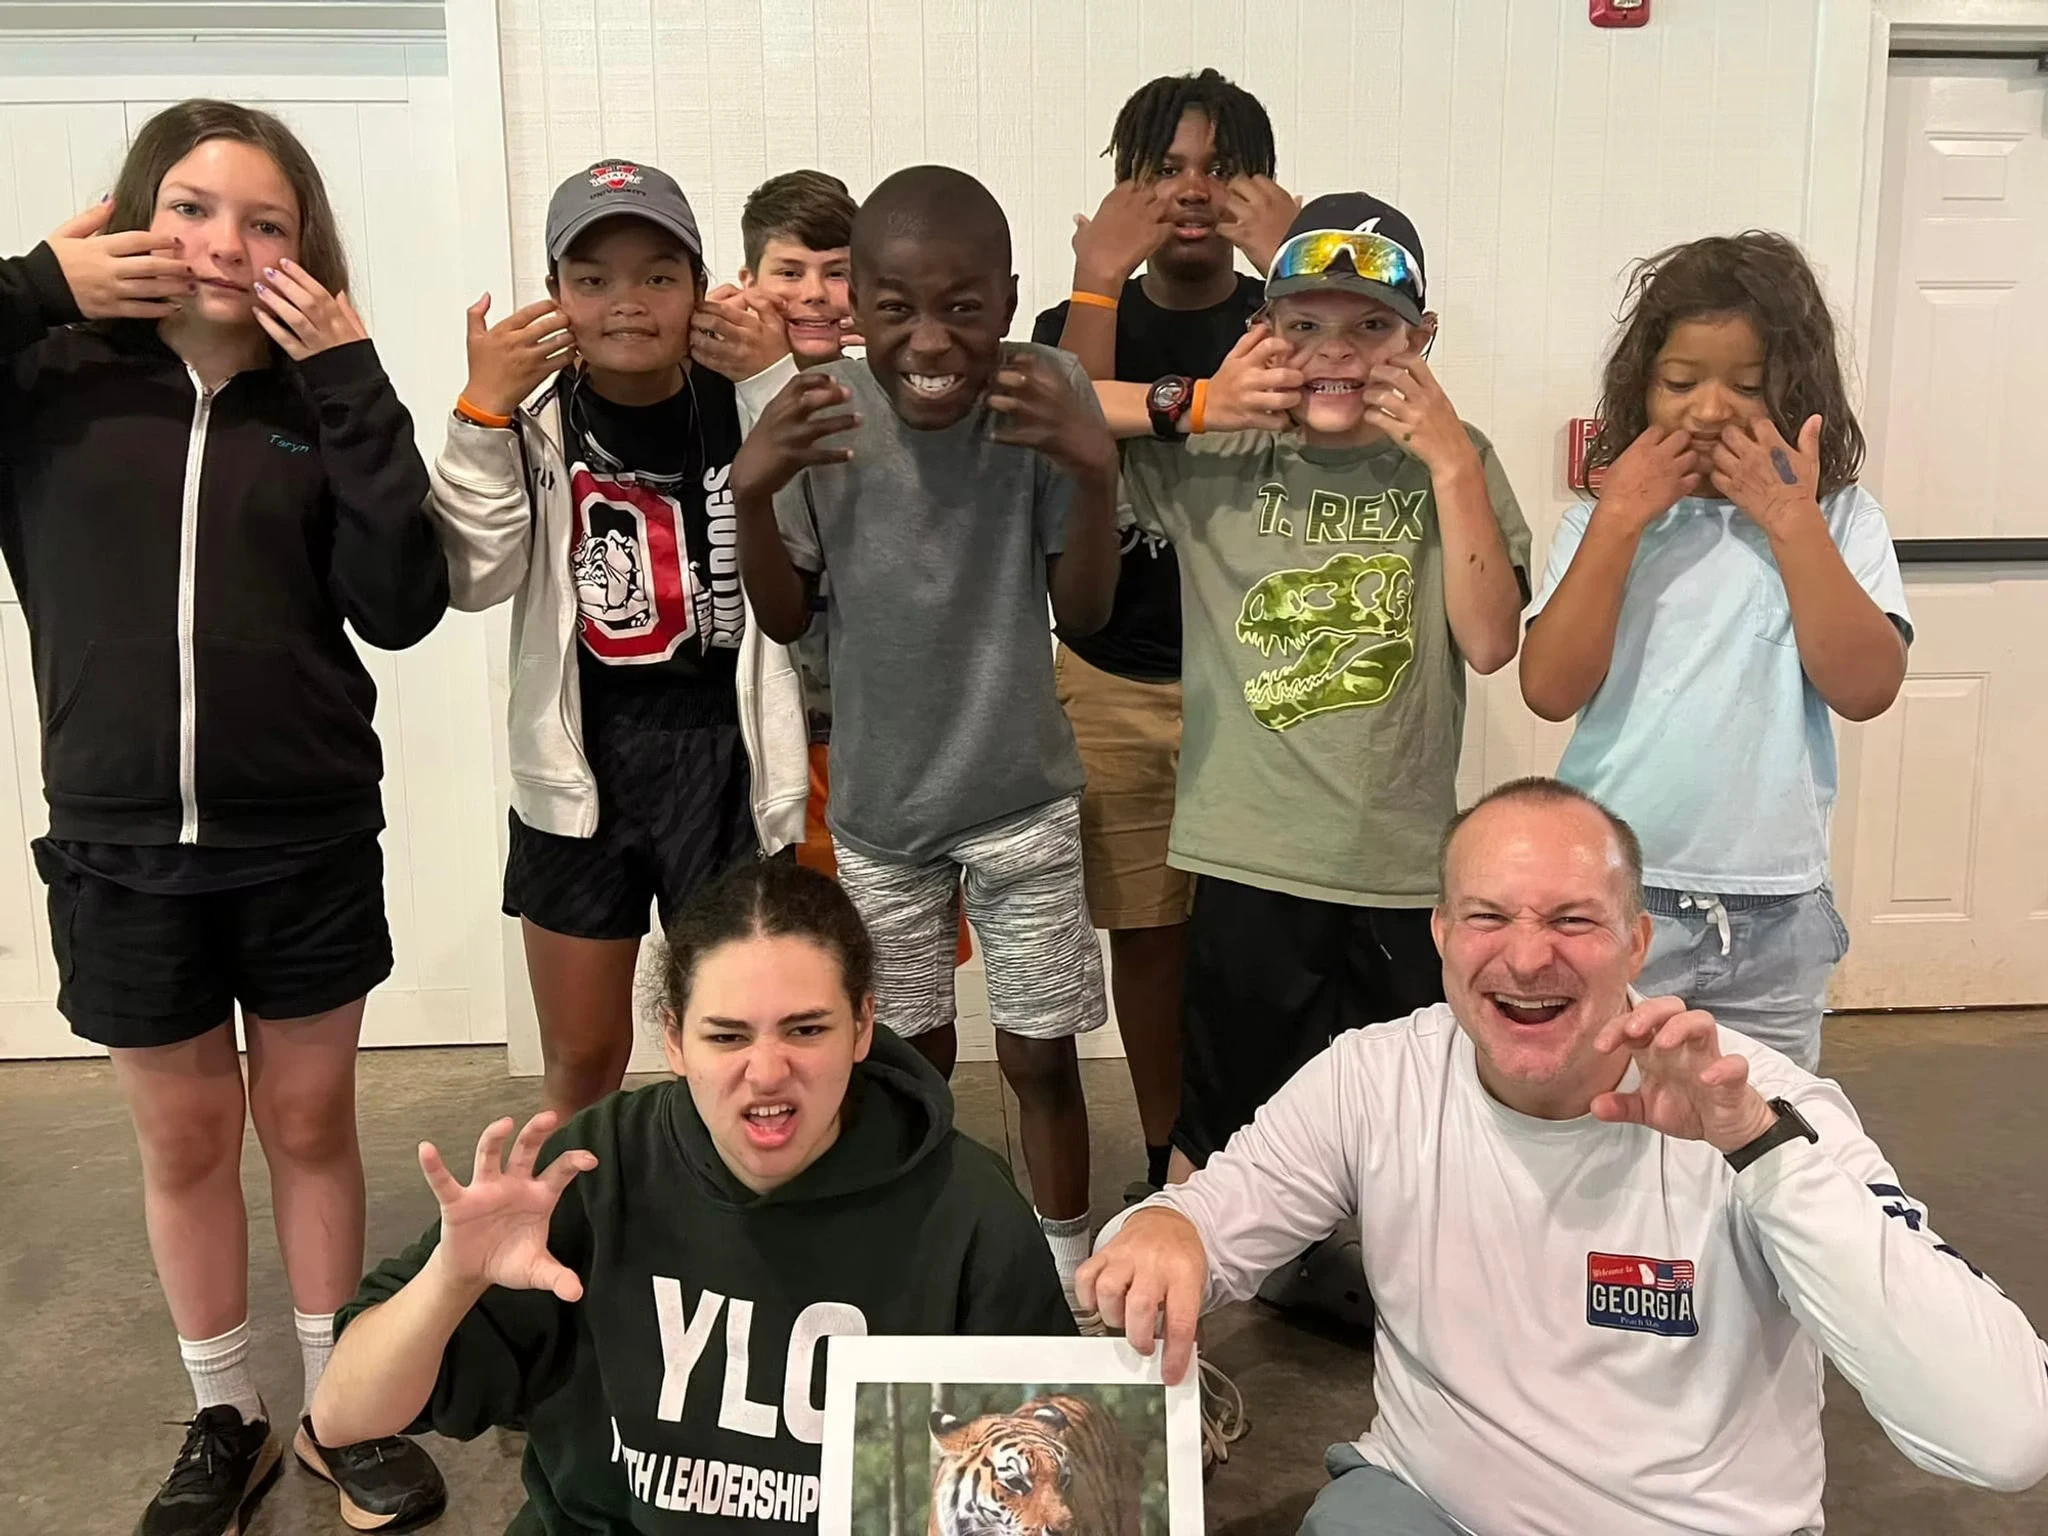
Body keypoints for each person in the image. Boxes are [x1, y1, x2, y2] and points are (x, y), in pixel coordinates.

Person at [1081, 777, 2048, 1535]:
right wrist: (1161, 1226)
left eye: (1573, 920)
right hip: (1429, 1508)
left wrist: (1760, 1153)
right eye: (1490, 916)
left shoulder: (1755, 1105)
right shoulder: (1377, 1076)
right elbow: (1199, 1225)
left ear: (1636, 945)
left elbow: (2004, 1434)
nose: (1528, 957)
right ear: (1442, 936)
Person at [0, 99, 449, 1536]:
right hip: (119, 840)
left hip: (306, 830)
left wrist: (357, 378)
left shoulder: (319, 400)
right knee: (185, 1142)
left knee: (310, 1119)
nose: (225, 243)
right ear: (135, 213)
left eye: (266, 221)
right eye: (193, 206)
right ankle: (226, 1415)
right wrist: (27, 290)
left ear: (305, 247)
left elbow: (404, 602)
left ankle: (337, 1408)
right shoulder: (53, 377)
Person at [313, 859, 1076, 1535]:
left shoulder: (967, 1206)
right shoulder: (590, 1169)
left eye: (806, 1029)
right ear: (674, 1041)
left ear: (863, 1025)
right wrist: (455, 1278)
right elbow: (346, 1414)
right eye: (727, 1036)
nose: (768, 1071)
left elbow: (1051, 1474)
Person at [733, 165, 1121, 1321]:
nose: (928, 340)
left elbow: (1088, 614)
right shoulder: (817, 410)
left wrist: (1095, 466)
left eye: (961, 306)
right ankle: (921, 1266)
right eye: (894, 307)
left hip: (1020, 796)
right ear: (854, 301)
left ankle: (1055, 1276)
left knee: (1042, 1058)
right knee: (906, 1064)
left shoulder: (1044, 392)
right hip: (882, 811)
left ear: (1008, 299)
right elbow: (787, 617)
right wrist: (753, 496)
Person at [1094, 192, 1531, 1183]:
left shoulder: (1458, 465)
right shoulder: (1218, 457)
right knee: (1216, 1134)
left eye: (1371, 328)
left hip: (1401, 866)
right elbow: (1048, 406)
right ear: (1264, 330)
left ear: (1421, 339)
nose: (1337, 353)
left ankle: (1397, 1298)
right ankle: (1194, 1304)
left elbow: (1491, 640)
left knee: (1412, 1132)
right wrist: (1195, 401)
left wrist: (1451, 460)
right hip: (1251, 856)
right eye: (1305, 326)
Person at [430, 158, 809, 1117]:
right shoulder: (530, 421)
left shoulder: (746, 400)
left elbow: (819, 550)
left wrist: (770, 377)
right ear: (554, 296)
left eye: (657, 276)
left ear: (698, 288)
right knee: (585, 1058)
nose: (626, 303)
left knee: (736, 1045)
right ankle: (577, 1250)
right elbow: (473, 579)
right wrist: (481, 413)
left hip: (730, 756)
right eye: (591, 280)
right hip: (581, 762)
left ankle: (728, 1243)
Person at [1519, 232, 1910, 1073]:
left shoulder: (1842, 521)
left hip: (1777, 912)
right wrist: (1621, 519)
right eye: (1680, 382)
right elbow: (1549, 687)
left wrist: (1793, 522)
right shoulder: (1602, 520)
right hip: (1618, 898)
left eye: (1748, 385)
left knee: (1763, 1142)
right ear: (1640, 387)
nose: (1708, 410)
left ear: (1797, 392)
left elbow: (1867, 686)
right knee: (1605, 1123)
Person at [1031, 68, 1295, 1200]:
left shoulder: (1286, 315)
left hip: (1262, 686)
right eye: (1164, 168)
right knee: (1145, 935)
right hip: (1112, 673)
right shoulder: (1074, 323)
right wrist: (1099, 277)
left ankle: (1273, 1165)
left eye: (1219, 167)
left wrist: (1299, 267)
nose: (1193, 191)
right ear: (1123, 185)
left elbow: (1350, 405)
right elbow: (1073, 424)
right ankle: (1162, 1158)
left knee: (1258, 944)